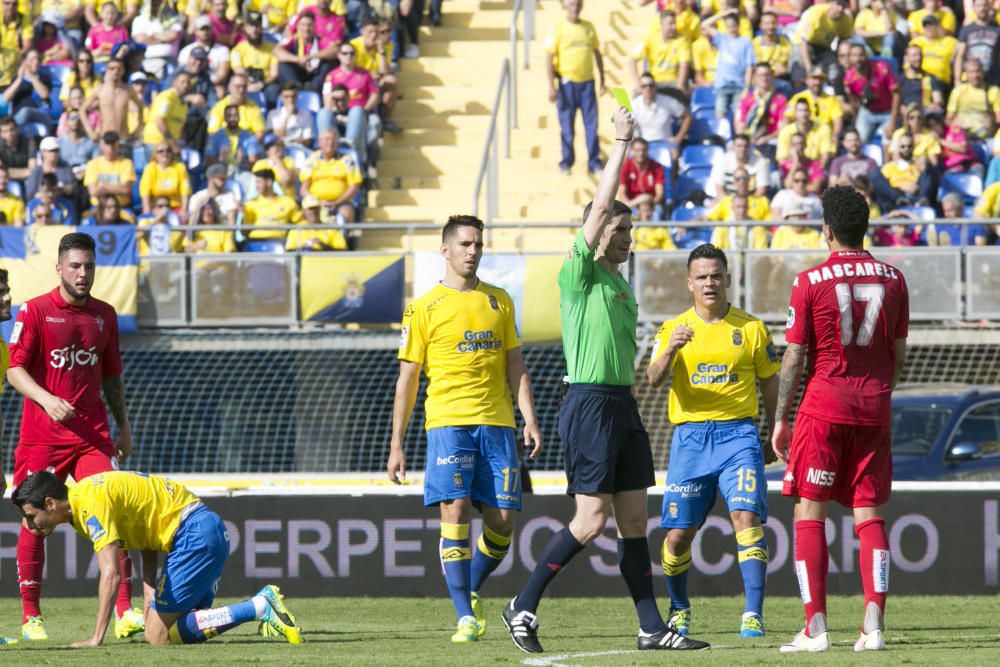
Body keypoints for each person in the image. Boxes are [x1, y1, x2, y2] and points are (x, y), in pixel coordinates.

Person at [501, 108, 710, 654]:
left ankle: (649, 627)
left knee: (636, 520)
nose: (627, 238)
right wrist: (622, 143)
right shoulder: (579, 273)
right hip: (589, 402)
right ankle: (522, 605)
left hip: (621, 404)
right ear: (598, 235)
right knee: (590, 521)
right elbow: (597, 208)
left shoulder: (620, 284)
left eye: (630, 231)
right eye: (620, 230)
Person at [386, 214, 541, 643]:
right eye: (465, 245)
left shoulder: (500, 300)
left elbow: (515, 364)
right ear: (446, 250)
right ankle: (464, 616)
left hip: (497, 424)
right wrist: (396, 444)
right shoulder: (422, 309)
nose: (473, 252)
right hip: (448, 422)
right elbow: (408, 380)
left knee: (503, 522)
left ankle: (469, 587)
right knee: (453, 510)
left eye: (478, 245)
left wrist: (528, 416)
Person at [772, 185, 909, 653]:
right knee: (870, 514)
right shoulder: (894, 278)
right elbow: (898, 353)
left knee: (809, 511)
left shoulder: (810, 281)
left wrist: (780, 418)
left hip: (824, 406)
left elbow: (794, 357)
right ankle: (873, 625)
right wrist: (879, 390)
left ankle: (815, 627)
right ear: (864, 228)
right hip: (875, 405)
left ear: (826, 229)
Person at [4, 233, 144, 642]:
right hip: (42, 438)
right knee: (34, 523)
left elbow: (113, 375)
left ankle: (124, 611)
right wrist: (47, 400)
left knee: (113, 513)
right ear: (60, 268)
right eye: (76, 266)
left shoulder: (105, 315)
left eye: (89, 267)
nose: (83, 274)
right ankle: (32, 616)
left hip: (93, 437)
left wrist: (125, 425)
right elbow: (15, 370)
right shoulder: (35, 311)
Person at [646, 243, 778, 638]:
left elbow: (770, 381)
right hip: (690, 439)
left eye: (715, 275)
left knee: (745, 516)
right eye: (701, 276)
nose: (709, 283)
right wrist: (670, 349)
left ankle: (753, 613)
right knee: (678, 534)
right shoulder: (673, 328)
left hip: (738, 434)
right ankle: (680, 607)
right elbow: (652, 378)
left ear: (728, 279)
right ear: (689, 283)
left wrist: (776, 429)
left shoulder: (751, 328)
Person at [13, 470, 302, 646]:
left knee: (157, 636)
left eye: (30, 515)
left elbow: (111, 574)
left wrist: (96, 637)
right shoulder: (86, 495)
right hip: (206, 530)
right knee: (174, 629)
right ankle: (258, 607)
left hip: (193, 535)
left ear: (50, 503)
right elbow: (147, 543)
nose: (29, 524)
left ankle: (259, 606)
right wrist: (149, 598)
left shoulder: (88, 504)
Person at [547, 0, 605, 175]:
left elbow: (597, 53)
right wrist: (551, 86)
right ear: (565, 6)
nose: (575, 7)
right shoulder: (558, 28)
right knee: (567, 126)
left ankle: (594, 162)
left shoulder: (588, 27)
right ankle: (566, 161)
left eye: (578, 3)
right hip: (567, 84)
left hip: (587, 82)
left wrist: (603, 79)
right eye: (572, 4)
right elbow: (549, 57)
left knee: (591, 125)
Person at [702, 10, 755, 118]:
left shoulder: (745, 42)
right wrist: (722, 14)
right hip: (722, 85)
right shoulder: (722, 39)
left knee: (739, 116)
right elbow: (705, 25)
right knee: (720, 113)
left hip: (739, 85)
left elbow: (749, 66)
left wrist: (746, 87)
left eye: (734, 26)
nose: (732, 29)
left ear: (738, 25)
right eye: (729, 27)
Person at [843, 43, 900, 144]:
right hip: (867, 112)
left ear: (866, 56)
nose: (858, 59)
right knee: (857, 141)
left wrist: (893, 121)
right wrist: (857, 120)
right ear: (849, 58)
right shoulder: (849, 78)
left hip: (887, 111)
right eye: (854, 56)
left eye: (861, 55)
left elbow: (896, 94)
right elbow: (853, 102)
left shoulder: (882, 69)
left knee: (888, 140)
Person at [631, 71, 690, 167]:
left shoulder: (668, 101)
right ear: (640, 89)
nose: (648, 88)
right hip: (643, 144)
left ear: (655, 87)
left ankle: (672, 182)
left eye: (651, 85)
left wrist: (678, 138)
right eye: (644, 86)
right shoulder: (634, 105)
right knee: (627, 155)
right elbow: (623, 124)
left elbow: (687, 117)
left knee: (674, 155)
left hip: (665, 142)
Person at [273, 11, 337, 93]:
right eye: (303, 25)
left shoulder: (319, 40)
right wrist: (298, 59)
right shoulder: (293, 39)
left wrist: (309, 57)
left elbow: (335, 50)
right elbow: (276, 50)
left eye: (309, 25)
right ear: (298, 26)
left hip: (315, 75)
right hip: (297, 73)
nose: (306, 29)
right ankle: (295, 88)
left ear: (314, 26)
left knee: (329, 62)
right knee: (283, 64)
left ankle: (312, 90)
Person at [631, 10, 690, 99]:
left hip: (673, 81)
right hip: (654, 81)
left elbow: (684, 64)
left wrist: (680, 84)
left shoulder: (681, 40)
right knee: (637, 94)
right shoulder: (650, 38)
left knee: (686, 92)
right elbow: (632, 60)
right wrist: (637, 82)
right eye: (670, 24)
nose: (674, 27)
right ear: (662, 24)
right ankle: (629, 113)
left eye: (675, 23)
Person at [81, 59, 144, 140]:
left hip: (123, 137)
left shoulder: (128, 90)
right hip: (105, 138)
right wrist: (90, 131)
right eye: (112, 68)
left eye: (119, 68)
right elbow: (82, 109)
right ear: (107, 70)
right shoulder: (99, 90)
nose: (116, 71)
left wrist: (138, 128)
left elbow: (140, 106)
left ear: (123, 71)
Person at [792, 0, 854, 82]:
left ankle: (833, 88)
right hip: (804, 45)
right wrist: (809, 68)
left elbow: (843, 42)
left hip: (824, 47)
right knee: (799, 65)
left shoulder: (846, 19)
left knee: (834, 68)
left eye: (843, 5)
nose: (840, 8)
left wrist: (839, 59)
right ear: (831, 3)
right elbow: (804, 43)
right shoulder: (815, 13)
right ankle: (798, 87)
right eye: (838, 4)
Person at [229, 11, 279, 108]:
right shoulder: (237, 50)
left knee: (273, 89)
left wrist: (261, 84)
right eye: (251, 26)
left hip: (265, 83)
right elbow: (238, 70)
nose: (254, 30)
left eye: (257, 26)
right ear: (245, 28)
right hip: (245, 83)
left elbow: (274, 74)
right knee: (235, 87)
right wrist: (248, 84)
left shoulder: (272, 48)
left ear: (261, 28)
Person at [735, 63, 787, 150]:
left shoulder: (780, 100)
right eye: (760, 75)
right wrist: (746, 140)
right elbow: (740, 125)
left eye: (767, 74)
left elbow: (782, 127)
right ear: (754, 77)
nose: (764, 78)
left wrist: (766, 139)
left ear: (772, 76)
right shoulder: (746, 100)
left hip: (771, 142)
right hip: (748, 143)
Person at [946, 58, 1000, 141]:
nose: (975, 75)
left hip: (987, 138)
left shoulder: (993, 91)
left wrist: (992, 123)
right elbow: (949, 119)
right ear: (966, 74)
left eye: (978, 71)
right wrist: (957, 128)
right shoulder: (958, 91)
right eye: (971, 72)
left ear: (983, 72)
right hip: (963, 138)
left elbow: (998, 118)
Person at [783, 67, 844, 138]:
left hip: (824, 138)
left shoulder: (832, 99)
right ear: (807, 80)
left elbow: (838, 123)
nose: (817, 82)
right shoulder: (797, 98)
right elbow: (787, 118)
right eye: (814, 78)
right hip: (802, 137)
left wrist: (834, 138)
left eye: (820, 79)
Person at [776, 99, 835, 170]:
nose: (803, 114)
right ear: (795, 112)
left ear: (810, 112)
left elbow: (825, 156)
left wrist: (815, 172)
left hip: (816, 170)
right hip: (793, 170)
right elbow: (781, 160)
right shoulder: (785, 131)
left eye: (806, 110)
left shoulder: (823, 129)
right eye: (800, 111)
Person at [706, 133, 770, 199]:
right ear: (733, 147)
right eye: (739, 146)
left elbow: (761, 191)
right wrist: (732, 204)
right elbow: (719, 190)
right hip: (727, 202)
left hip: (752, 203)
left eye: (746, 146)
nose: (742, 149)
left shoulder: (760, 162)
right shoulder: (722, 161)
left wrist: (745, 205)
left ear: (750, 147)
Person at [207, 74, 267, 142]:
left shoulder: (253, 108)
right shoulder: (218, 108)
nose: (241, 90)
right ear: (229, 87)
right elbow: (212, 132)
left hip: (247, 145)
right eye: (237, 86)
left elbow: (260, 133)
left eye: (244, 87)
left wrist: (247, 145)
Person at [83, 132, 136, 208]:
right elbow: (93, 191)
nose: (110, 147)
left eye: (113, 143)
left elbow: (126, 189)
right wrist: (117, 188)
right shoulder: (92, 164)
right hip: (99, 207)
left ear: (118, 145)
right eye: (107, 144)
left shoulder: (126, 163)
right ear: (102, 145)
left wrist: (103, 186)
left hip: (121, 207)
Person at [954, 0, 1000, 86]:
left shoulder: (997, 29)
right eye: (979, 6)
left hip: (993, 80)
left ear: (989, 7)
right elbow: (960, 56)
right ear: (974, 8)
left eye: (984, 5)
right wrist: (957, 80)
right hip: (971, 81)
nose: (982, 8)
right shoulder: (966, 30)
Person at [143, 70, 190, 150]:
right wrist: (172, 141)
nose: (186, 85)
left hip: (169, 144)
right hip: (155, 142)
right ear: (174, 83)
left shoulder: (184, 104)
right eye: (182, 82)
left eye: (188, 83)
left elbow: (180, 126)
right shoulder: (167, 97)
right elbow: (159, 120)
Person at [620, 138, 666, 220]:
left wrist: (646, 205)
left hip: (651, 204)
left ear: (647, 151)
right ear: (632, 151)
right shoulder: (626, 166)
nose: (641, 153)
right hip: (632, 204)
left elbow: (659, 195)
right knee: (623, 215)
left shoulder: (657, 167)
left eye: (643, 150)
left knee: (658, 212)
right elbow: (622, 193)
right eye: (637, 150)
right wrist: (638, 201)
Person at [911, 16, 958, 87]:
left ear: (938, 26)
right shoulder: (916, 43)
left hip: (942, 82)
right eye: (925, 26)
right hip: (921, 82)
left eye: (931, 25)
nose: (928, 28)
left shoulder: (950, 42)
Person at [899, 44, 945, 114]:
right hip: (906, 112)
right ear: (906, 58)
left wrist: (935, 104)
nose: (918, 58)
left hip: (925, 111)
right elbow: (896, 100)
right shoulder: (900, 79)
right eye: (914, 55)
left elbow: (938, 99)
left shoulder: (930, 77)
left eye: (920, 55)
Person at [267, 83, 316, 147]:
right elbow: (276, 138)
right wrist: (288, 116)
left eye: (293, 96)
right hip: (280, 148)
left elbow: (308, 141)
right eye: (286, 97)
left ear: (297, 97)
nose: (290, 100)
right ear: (281, 98)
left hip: (299, 149)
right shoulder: (273, 114)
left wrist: (293, 141)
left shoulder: (306, 114)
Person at [752, 12, 792, 81]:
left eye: (773, 23)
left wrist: (785, 71)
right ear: (760, 25)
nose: (770, 26)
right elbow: (752, 68)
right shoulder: (754, 44)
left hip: (780, 79)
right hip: (759, 80)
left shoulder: (786, 43)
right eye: (767, 24)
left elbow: (790, 66)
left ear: (777, 24)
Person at [0, 117, 37, 181]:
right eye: (5, 131)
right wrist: (25, 172)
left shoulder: (29, 142)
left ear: (17, 129)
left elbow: (33, 170)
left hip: (28, 179)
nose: (10, 134)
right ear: (1, 134)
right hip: (6, 181)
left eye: (12, 129)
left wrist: (8, 172)